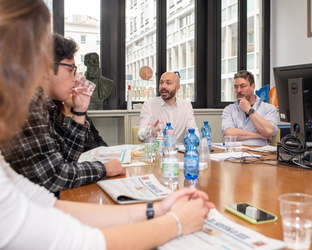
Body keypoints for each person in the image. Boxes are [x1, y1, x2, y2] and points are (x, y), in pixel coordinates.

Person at [0, 1, 214, 249]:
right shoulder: (32, 106)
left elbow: (47, 202)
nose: (78, 77)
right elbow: (80, 240)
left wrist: (156, 209)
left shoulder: (36, 109)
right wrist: (175, 222)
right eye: (72, 68)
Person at [0, 33, 124, 194]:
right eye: (71, 70)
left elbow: (66, 160)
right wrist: (103, 168)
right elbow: (54, 176)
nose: (76, 79)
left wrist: (79, 111)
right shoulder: (25, 103)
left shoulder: (43, 104)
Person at [138, 71, 199, 144]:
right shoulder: (149, 104)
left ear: (177, 88)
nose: (163, 86)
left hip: (178, 151)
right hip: (157, 150)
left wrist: (194, 139)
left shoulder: (186, 105)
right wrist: (149, 131)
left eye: (168, 83)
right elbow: (140, 135)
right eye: (161, 83)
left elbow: (192, 129)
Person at [222, 70, 278, 146]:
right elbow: (229, 133)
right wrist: (260, 136)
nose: (238, 90)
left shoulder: (268, 108)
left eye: (242, 86)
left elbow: (269, 131)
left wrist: (249, 110)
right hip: (235, 152)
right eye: (236, 87)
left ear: (253, 87)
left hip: (259, 152)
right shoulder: (229, 109)